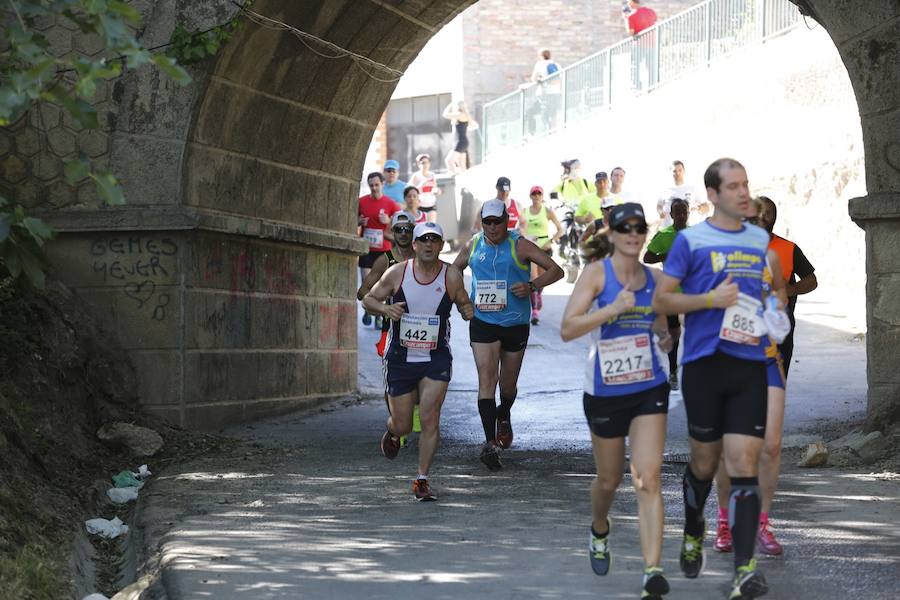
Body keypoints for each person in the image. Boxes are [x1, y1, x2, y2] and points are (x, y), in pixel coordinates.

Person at [653, 158, 784, 600]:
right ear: (712, 194)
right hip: (705, 366)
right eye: (733, 186)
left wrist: (774, 313)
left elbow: (772, 290)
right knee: (706, 463)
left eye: (746, 184)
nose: (743, 193)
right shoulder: (691, 242)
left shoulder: (760, 242)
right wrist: (709, 299)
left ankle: (744, 570)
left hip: (750, 364)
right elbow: (662, 299)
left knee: (744, 463)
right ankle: (694, 527)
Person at [561, 202, 672, 600]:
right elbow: (568, 328)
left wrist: (665, 338)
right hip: (605, 390)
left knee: (647, 477)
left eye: (639, 228)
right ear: (613, 233)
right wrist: (611, 309)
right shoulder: (596, 274)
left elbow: (662, 326)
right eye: (625, 228)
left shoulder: (656, 279)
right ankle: (599, 527)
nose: (633, 234)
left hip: (648, 385)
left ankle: (652, 571)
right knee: (609, 480)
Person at [364, 222, 475, 501]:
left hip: (435, 358)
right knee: (403, 425)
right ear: (414, 245)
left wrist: (467, 309)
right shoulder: (398, 273)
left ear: (441, 245)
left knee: (429, 418)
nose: (428, 244)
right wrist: (386, 308)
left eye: (434, 239)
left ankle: (422, 479)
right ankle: (392, 432)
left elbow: (463, 301)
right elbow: (368, 299)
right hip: (400, 358)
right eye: (423, 239)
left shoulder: (450, 275)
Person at [453, 199, 563, 470]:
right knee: (486, 379)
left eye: (497, 222)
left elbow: (556, 270)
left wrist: (532, 286)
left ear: (506, 221)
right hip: (483, 322)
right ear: (482, 222)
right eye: (487, 222)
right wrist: (462, 299)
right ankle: (490, 444)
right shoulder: (473, 245)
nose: (492, 227)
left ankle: (504, 413)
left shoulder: (519, 245)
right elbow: (453, 270)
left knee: (508, 386)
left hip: (515, 323)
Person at [713, 196, 790, 558]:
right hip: (728, 362)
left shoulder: (771, 258)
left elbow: (780, 298)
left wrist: (775, 309)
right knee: (729, 449)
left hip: (766, 361)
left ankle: (762, 522)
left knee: (771, 446)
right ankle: (724, 520)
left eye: (764, 222)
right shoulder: (719, 258)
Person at [357, 211, 419, 446]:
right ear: (392, 233)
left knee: (421, 375)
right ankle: (398, 421)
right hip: (391, 329)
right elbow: (362, 292)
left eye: (407, 229)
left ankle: (414, 414)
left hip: (420, 327)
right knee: (392, 378)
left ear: (414, 232)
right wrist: (384, 305)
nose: (403, 234)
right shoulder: (385, 260)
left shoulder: (422, 257)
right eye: (399, 229)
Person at [758, 196, 817, 376]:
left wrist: (792, 289)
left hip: (779, 327)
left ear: (774, 219)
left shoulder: (789, 248)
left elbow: (812, 280)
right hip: (745, 326)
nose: (762, 216)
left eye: (768, 213)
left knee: (776, 380)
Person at [643, 198, 690, 389]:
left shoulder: (695, 235)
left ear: (688, 213)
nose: (681, 216)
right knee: (674, 332)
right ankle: (673, 371)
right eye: (677, 212)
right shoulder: (664, 235)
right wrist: (666, 255)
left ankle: (694, 370)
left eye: (684, 212)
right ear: (671, 214)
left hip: (692, 290)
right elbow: (647, 257)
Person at [359, 172, 401, 327]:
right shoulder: (361, 201)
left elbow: (400, 226)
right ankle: (368, 308)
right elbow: (351, 220)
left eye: (377, 185)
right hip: (367, 248)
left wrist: (388, 221)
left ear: (383, 184)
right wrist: (358, 221)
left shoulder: (391, 204)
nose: (374, 188)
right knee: (366, 281)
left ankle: (378, 314)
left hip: (384, 250)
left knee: (382, 283)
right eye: (371, 185)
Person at [522, 185, 563, 325]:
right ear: (530, 196)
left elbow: (560, 229)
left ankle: (538, 294)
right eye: (534, 194)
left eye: (539, 194)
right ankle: (535, 312)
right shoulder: (524, 212)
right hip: (530, 248)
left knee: (543, 278)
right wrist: (524, 237)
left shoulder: (547, 211)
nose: (536, 196)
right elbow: (520, 228)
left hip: (544, 248)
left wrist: (551, 241)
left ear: (542, 196)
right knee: (533, 277)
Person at [658, 160, 707, 227]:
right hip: (669, 228)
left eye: (680, 170)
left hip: (688, 228)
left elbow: (706, 207)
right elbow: (659, 206)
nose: (677, 173)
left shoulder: (692, 189)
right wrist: (660, 212)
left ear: (684, 171)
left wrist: (698, 208)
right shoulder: (665, 190)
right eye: (674, 171)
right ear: (671, 172)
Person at [624, 0, 658, 90]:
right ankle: (652, 87)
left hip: (640, 44)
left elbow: (630, 32)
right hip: (652, 43)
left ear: (632, 2)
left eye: (628, 2)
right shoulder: (651, 11)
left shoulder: (631, 16)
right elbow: (654, 22)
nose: (628, 4)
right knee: (651, 66)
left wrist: (626, 20)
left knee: (635, 66)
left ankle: (637, 88)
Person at [442, 101, 477, 174]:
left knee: (449, 161)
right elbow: (475, 126)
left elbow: (445, 114)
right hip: (462, 141)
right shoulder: (465, 115)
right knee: (462, 166)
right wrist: (465, 129)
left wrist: (450, 104)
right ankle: (463, 178)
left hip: (460, 142)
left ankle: (454, 175)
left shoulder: (460, 114)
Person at [409, 154, 442, 223]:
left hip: (431, 204)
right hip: (420, 206)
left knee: (432, 225)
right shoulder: (416, 176)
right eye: (423, 163)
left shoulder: (432, 175)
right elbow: (410, 191)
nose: (425, 165)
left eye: (427, 162)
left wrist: (438, 191)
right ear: (418, 164)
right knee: (421, 227)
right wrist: (421, 186)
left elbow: (435, 188)